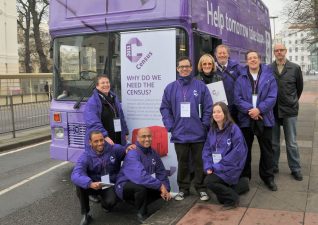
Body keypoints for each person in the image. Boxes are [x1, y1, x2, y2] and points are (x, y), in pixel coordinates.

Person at [160, 56, 213, 201]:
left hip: (198, 133)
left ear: (191, 68)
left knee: (199, 162)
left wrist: (204, 124)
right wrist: (170, 126)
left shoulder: (200, 86)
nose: (184, 69)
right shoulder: (170, 88)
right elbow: (165, 108)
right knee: (182, 162)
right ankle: (183, 188)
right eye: (181, 67)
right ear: (177, 69)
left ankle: (201, 188)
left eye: (187, 66)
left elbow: (208, 107)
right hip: (179, 133)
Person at [234, 50, 278, 191]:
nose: (252, 60)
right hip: (246, 118)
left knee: (267, 150)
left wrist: (259, 109)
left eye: (255, 57)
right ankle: (245, 177)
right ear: (246, 61)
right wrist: (250, 111)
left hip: (264, 117)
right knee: (245, 149)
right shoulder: (240, 77)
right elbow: (237, 98)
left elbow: (272, 97)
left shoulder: (269, 76)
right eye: (250, 58)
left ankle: (268, 177)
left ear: (259, 59)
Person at [71, 130, 134, 225]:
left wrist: (128, 147)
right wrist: (90, 183)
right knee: (80, 185)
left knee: (111, 203)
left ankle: (105, 204)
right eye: (96, 141)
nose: (100, 143)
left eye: (101, 140)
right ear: (90, 142)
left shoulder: (114, 149)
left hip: (108, 184)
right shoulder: (85, 156)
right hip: (93, 184)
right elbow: (75, 174)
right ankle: (85, 214)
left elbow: (125, 149)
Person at [115, 128, 171, 223]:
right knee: (141, 188)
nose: (147, 139)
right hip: (125, 185)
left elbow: (161, 171)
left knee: (160, 188)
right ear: (137, 138)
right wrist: (160, 186)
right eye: (143, 136)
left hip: (142, 183)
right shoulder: (133, 153)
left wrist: (165, 187)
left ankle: (140, 201)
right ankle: (141, 213)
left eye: (149, 136)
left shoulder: (153, 152)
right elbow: (140, 176)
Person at [203, 102, 249, 209]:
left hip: (231, 167)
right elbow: (207, 150)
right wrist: (208, 165)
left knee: (209, 182)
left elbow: (237, 153)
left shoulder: (234, 129)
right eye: (214, 112)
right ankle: (241, 185)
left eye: (219, 111)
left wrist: (217, 167)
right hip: (217, 166)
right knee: (220, 198)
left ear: (225, 113)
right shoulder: (212, 130)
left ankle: (233, 199)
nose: (216, 114)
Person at [271, 43, 304, 181]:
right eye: (276, 50)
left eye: (281, 50)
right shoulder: (268, 68)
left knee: (291, 142)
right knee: (274, 142)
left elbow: (299, 88)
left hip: (289, 110)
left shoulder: (295, 68)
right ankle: (273, 166)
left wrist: (292, 101)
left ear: (286, 51)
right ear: (274, 53)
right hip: (272, 110)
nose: (279, 52)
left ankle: (295, 168)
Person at [84, 74, 129, 146]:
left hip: (117, 137)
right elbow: (93, 123)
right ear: (97, 86)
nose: (106, 84)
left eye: (107, 82)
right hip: (103, 140)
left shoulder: (114, 98)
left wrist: (125, 132)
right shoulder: (92, 102)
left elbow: (121, 116)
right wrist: (104, 136)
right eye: (103, 83)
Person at [214, 44, 241, 122]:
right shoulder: (212, 68)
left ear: (228, 55)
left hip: (234, 108)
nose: (222, 55)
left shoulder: (236, 68)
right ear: (216, 55)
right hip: (219, 109)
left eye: (224, 53)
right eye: (219, 53)